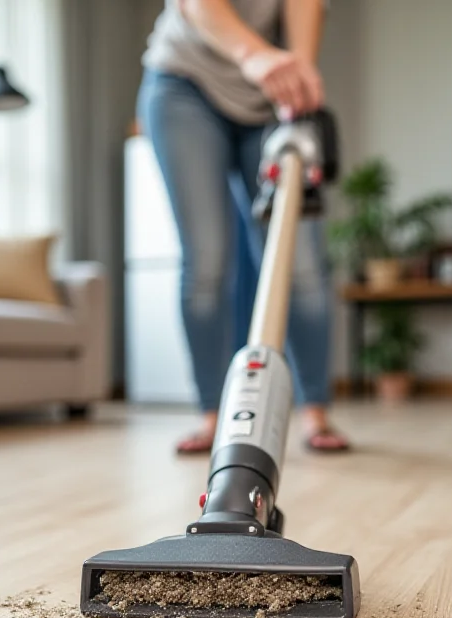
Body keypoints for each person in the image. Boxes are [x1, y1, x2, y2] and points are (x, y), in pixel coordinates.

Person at [137, 0, 350, 454]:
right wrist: (255, 55)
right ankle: (212, 415)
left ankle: (314, 411)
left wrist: (300, 72)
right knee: (207, 261)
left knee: (302, 263)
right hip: (185, 83)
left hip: (274, 97)